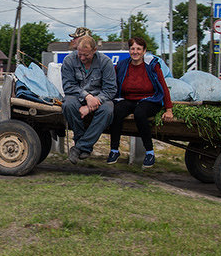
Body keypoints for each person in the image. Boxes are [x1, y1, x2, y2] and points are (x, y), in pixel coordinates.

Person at [107, 35, 174, 169]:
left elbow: (163, 86)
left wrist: (168, 109)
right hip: (128, 99)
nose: (135, 52)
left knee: (140, 113)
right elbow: (110, 81)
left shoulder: (152, 66)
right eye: (132, 49)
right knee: (116, 111)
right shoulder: (122, 65)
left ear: (144, 51)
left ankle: (149, 152)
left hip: (149, 99)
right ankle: (114, 149)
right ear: (129, 50)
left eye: (138, 49)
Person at [60, 30, 116, 164]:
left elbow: (111, 89)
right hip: (77, 96)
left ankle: (79, 147)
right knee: (68, 105)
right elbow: (68, 86)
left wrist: (91, 105)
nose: (82, 58)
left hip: (100, 98)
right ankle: (82, 142)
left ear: (94, 50)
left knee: (108, 110)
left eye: (86, 55)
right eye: (80, 54)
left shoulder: (105, 62)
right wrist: (87, 97)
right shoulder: (69, 60)